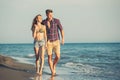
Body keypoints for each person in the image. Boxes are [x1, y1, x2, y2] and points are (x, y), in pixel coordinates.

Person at [42, 9, 64, 76]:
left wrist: (63, 39)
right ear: (46, 15)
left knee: (58, 56)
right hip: (48, 42)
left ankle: (54, 65)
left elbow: (61, 29)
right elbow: (40, 29)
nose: (51, 16)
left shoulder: (56, 21)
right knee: (49, 57)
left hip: (56, 41)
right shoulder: (43, 22)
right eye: (49, 15)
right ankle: (52, 72)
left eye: (52, 14)